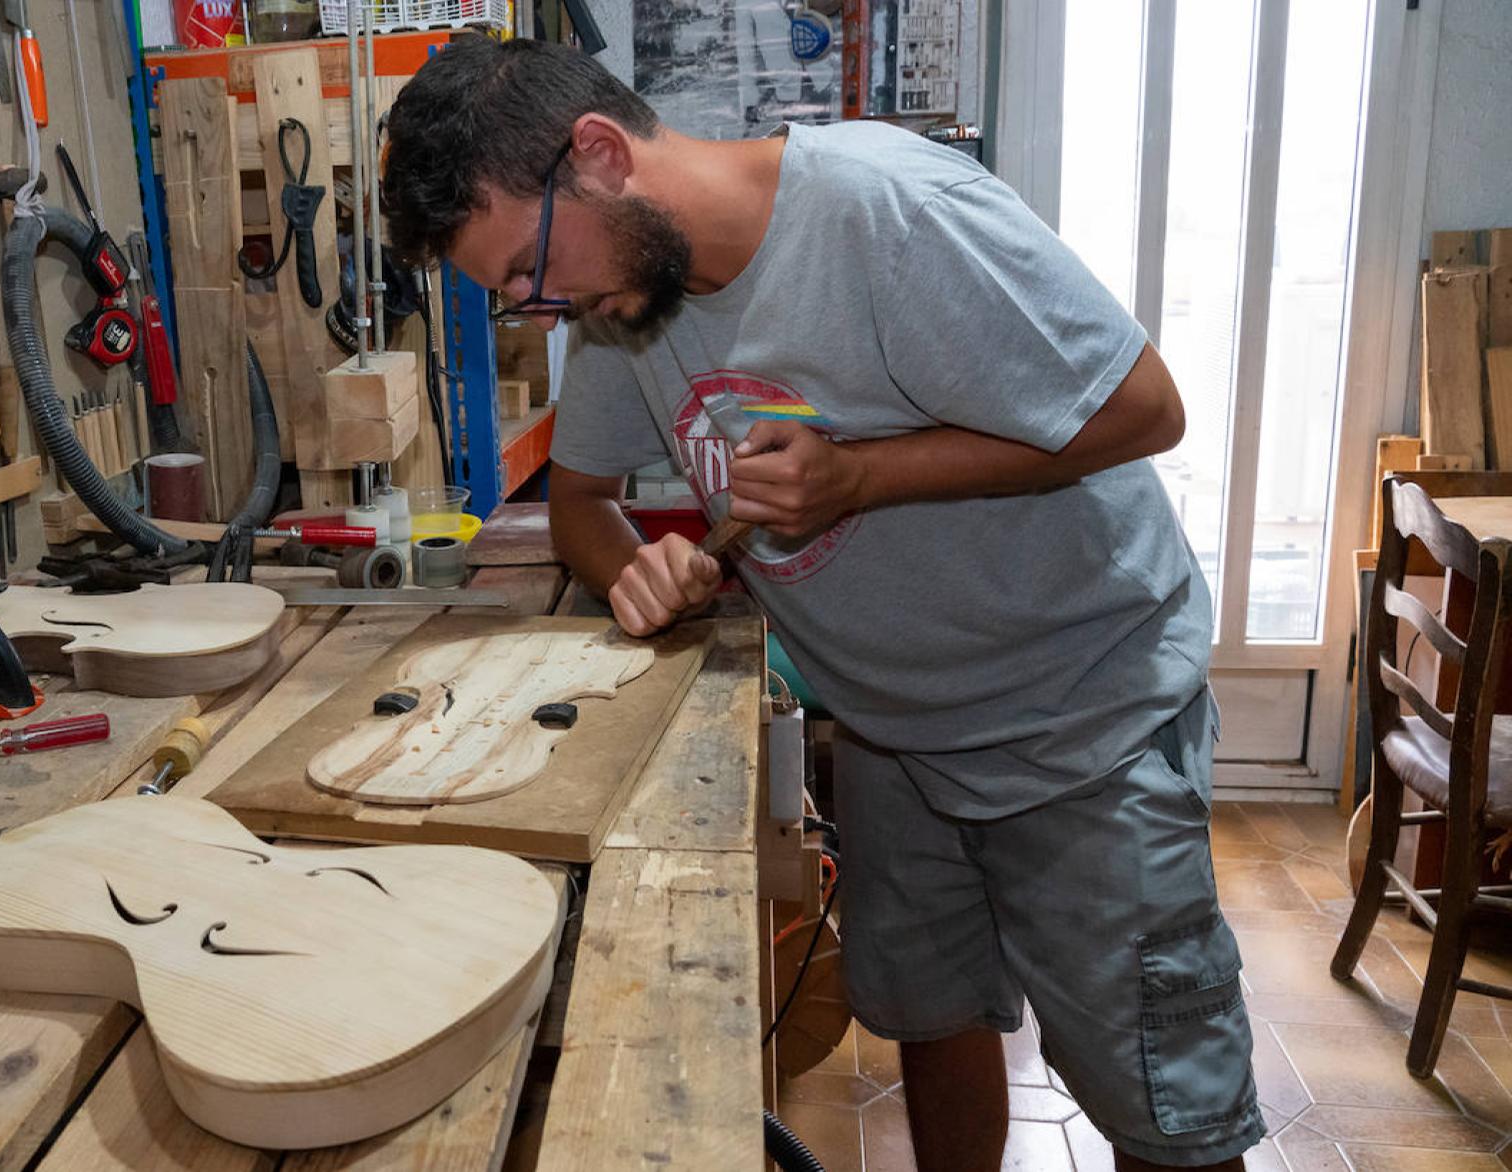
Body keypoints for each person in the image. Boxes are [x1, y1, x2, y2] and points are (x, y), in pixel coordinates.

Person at [380, 36, 1261, 1172]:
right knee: (935, 1015)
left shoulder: (887, 211)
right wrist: (633, 569)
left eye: (526, 274)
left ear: (596, 155)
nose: (544, 311)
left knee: (1160, 1107)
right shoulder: (619, 301)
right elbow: (584, 505)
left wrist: (859, 476)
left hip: (1080, 717)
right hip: (895, 729)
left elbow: (1146, 408)